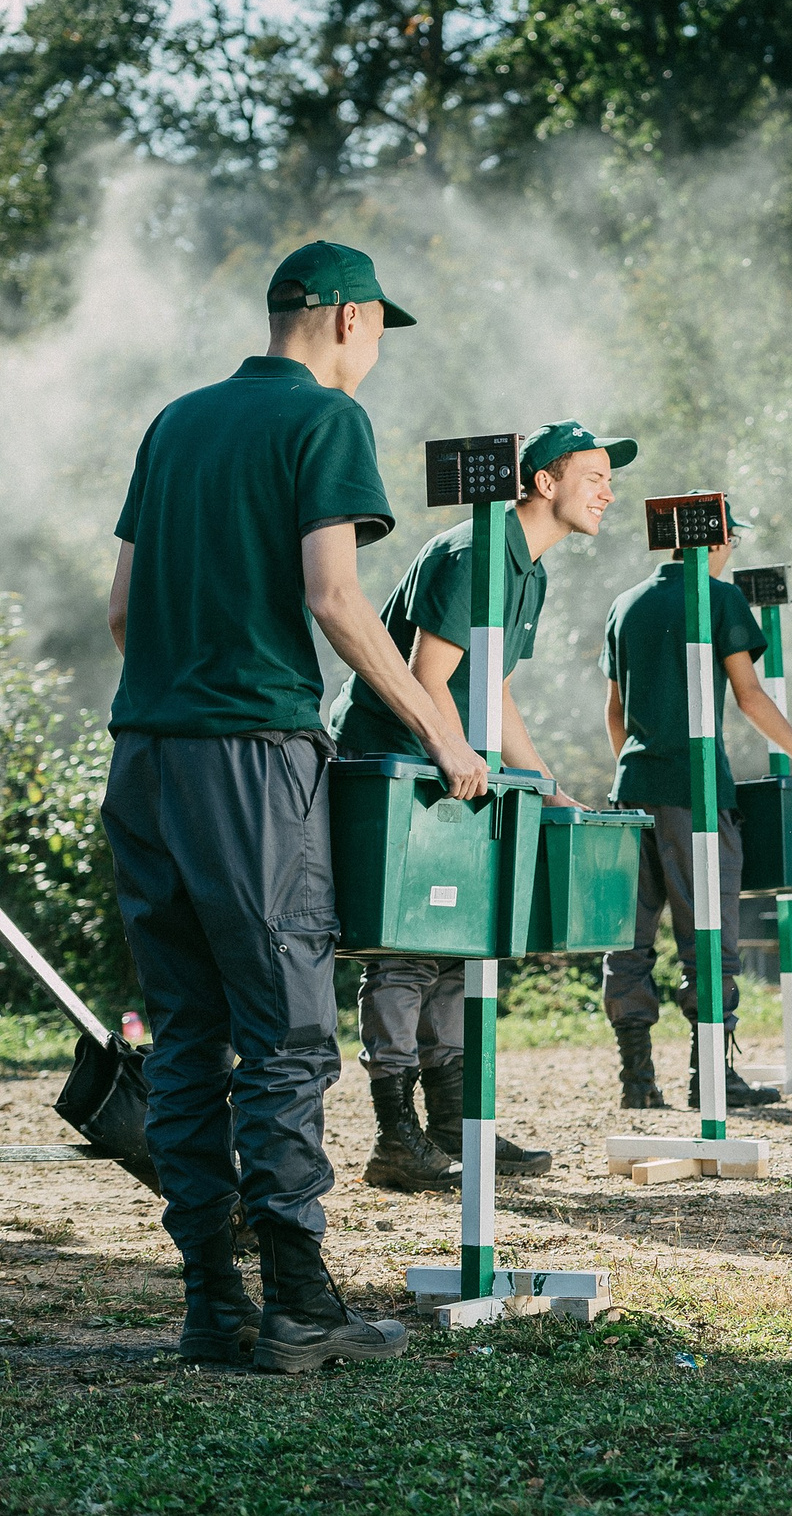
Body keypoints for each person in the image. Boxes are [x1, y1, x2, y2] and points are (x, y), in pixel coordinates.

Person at [104, 240, 486, 1371]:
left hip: (145, 755)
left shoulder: (175, 420)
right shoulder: (325, 420)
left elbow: (123, 609)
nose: (373, 351)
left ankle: (212, 1301)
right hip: (250, 758)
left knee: (186, 1034)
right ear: (347, 319)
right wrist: (439, 724)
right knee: (286, 1030)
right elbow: (333, 595)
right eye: (376, 330)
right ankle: (301, 1301)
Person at [326, 419, 633, 1191]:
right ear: (543, 481)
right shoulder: (475, 553)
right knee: (405, 952)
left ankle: (459, 1128)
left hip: (457, 763)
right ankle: (395, 1140)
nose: (608, 491)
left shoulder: (531, 569)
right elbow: (430, 674)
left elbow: (490, 687)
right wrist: (456, 754)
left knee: (462, 947)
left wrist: (542, 777)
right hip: (396, 763)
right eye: (593, 476)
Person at [600, 494, 792, 1111]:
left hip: (633, 791)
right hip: (696, 796)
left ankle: (637, 1082)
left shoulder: (626, 604)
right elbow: (750, 696)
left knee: (628, 937)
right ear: (717, 542)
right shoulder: (719, 598)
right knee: (710, 935)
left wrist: (637, 766)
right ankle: (712, 1076)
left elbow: (615, 711)